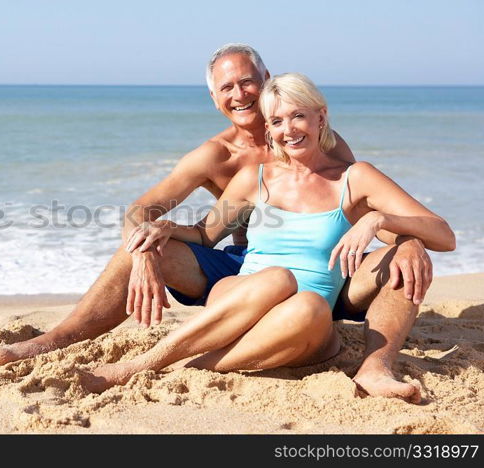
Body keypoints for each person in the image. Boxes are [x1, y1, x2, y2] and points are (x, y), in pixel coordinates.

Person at [0, 44, 433, 402]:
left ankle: (377, 363)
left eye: (248, 82)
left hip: (325, 268)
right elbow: (144, 211)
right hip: (241, 267)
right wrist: (142, 255)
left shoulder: (319, 142)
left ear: (267, 82)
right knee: (143, 247)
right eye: (226, 88)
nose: (239, 95)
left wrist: (406, 235)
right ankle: (53, 341)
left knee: (408, 257)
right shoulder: (218, 156)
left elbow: (344, 205)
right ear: (213, 98)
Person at [80, 72, 455, 395]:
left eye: (298, 117)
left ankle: (375, 367)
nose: (288, 129)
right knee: (276, 277)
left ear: (321, 117)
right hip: (243, 299)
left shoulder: (354, 178)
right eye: (277, 121)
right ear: (269, 129)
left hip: (303, 323)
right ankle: (148, 364)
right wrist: (166, 227)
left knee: (388, 265)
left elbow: (443, 234)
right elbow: (205, 235)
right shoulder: (253, 179)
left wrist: (381, 222)